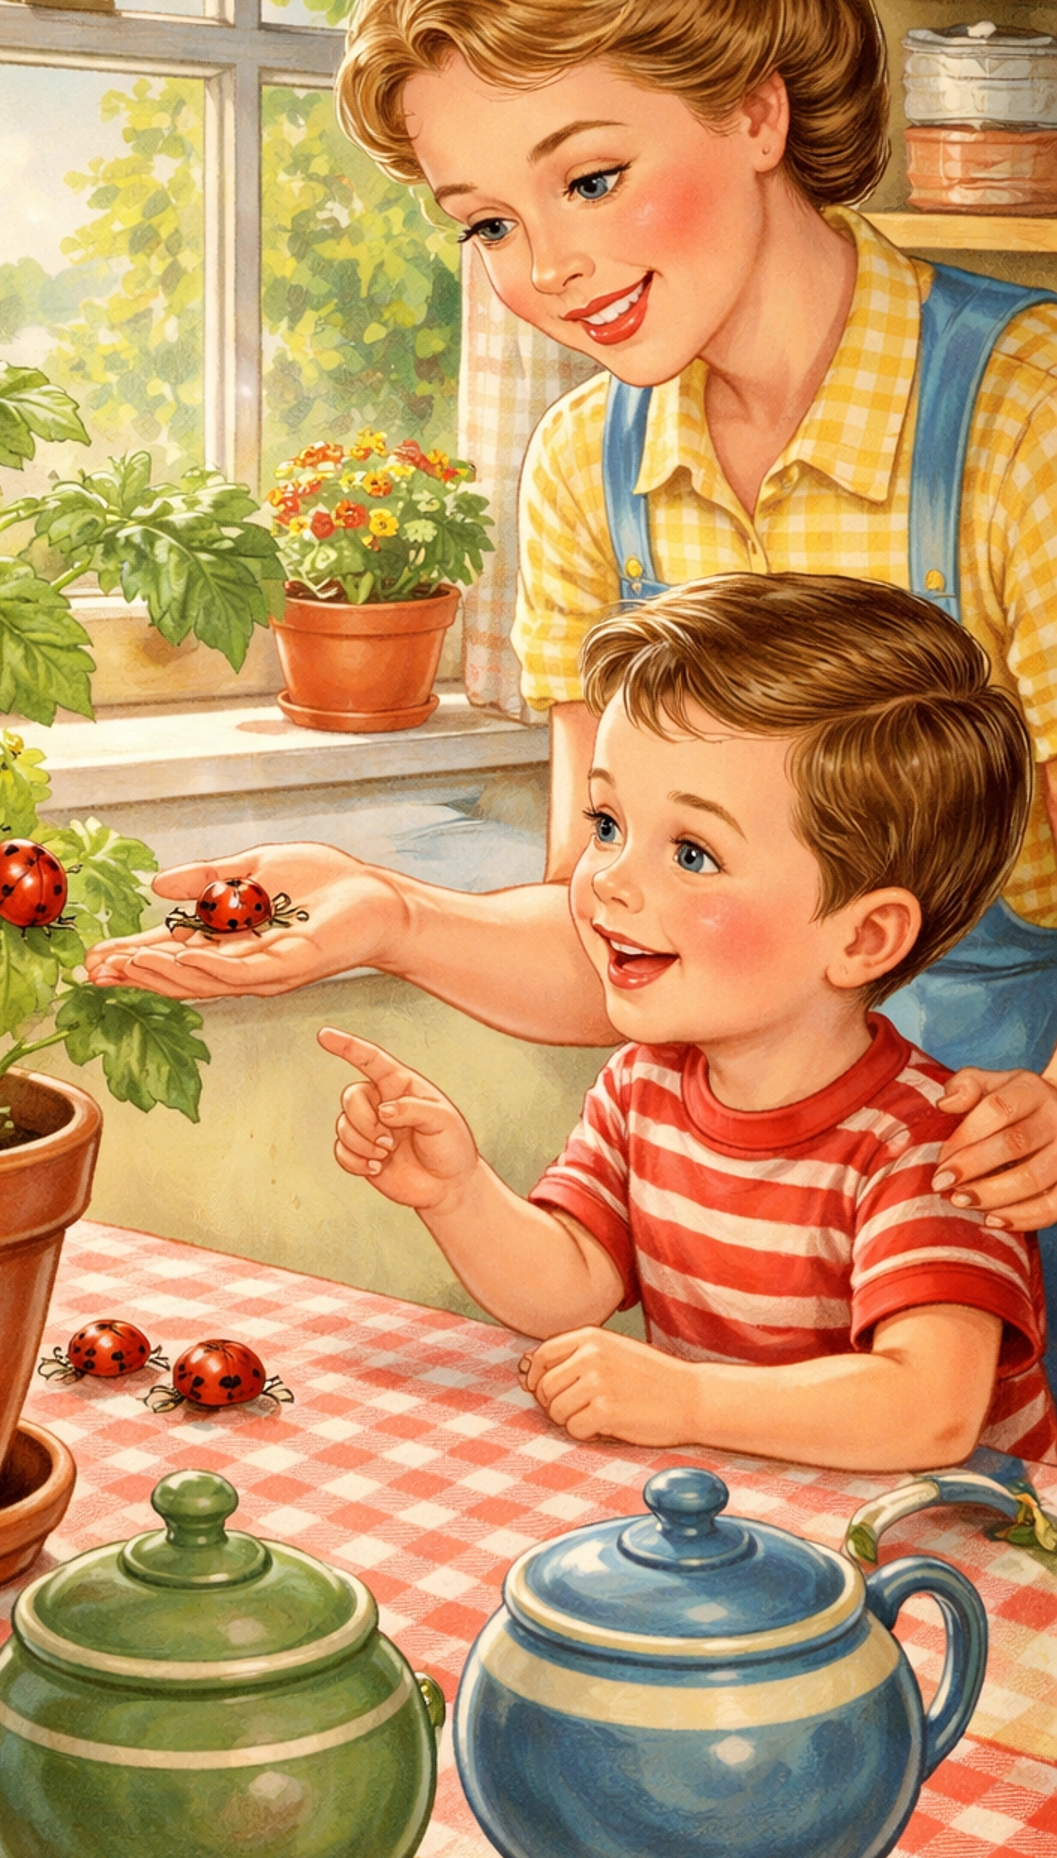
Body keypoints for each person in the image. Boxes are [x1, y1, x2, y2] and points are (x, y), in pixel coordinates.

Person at [86, 0, 1057, 1283]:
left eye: (591, 178)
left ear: (755, 109)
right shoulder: (584, 472)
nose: (544, 267)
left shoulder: (1021, 417)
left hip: (1001, 1185)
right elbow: (622, 948)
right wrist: (389, 916)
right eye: (487, 221)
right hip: (753, 1218)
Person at [320, 574, 1056, 1471]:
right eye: (606, 824)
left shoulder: (934, 1147)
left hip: (952, 1560)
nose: (609, 882)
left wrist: (685, 1397)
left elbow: (926, 1411)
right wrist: (457, 1191)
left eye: (693, 853)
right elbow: (570, 1286)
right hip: (754, 1517)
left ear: (865, 936)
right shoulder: (644, 1086)